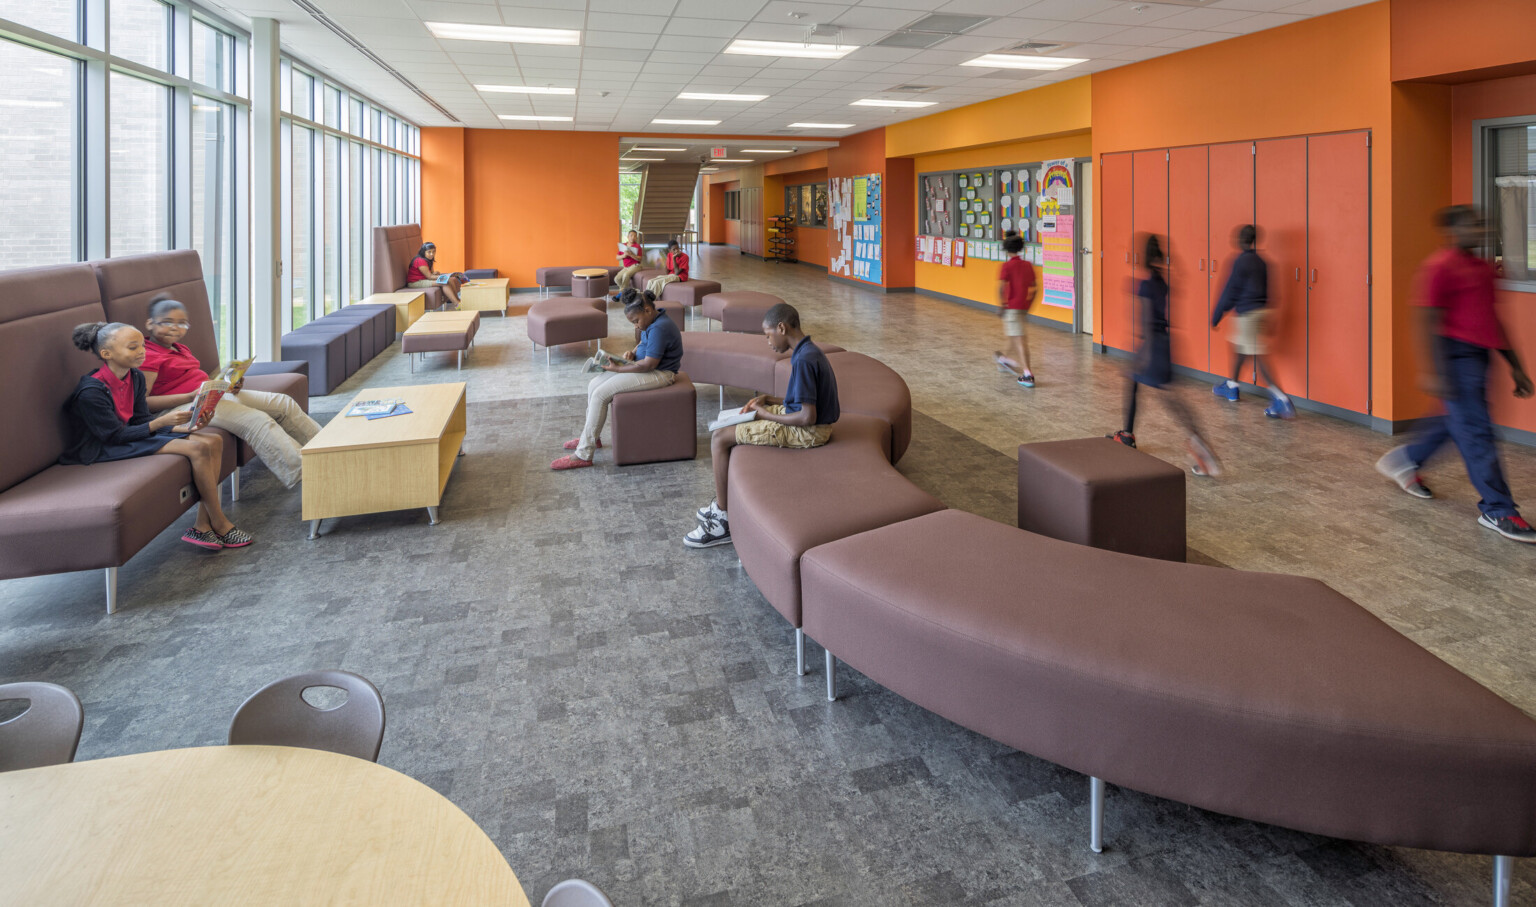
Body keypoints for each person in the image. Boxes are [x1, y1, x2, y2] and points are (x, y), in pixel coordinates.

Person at [1376, 205, 1535, 543]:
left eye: (1483, 223)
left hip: (1480, 358)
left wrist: (1516, 366)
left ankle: (1406, 460)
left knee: (1456, 421)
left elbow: (1491, 320)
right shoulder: (1439, 267)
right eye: (1473, 224)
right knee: (1477, 432)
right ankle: (1498, 509)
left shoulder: (1482, 269)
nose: (1481, 229)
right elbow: (1425, 320)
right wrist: (1432, 370)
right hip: (1454, 357)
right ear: (1452, 230)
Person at [61, 321, 253, 550]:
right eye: (133, 347)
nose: (142, 351)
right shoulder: (91, 392)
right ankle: (220, 523)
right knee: (197, 448)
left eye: (142, 345)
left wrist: (187, 428)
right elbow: (114, 436)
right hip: (101, 447)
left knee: (214, 440)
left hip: (128, 435)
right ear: (107, 353)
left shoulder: (135, 377)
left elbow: (141, 420)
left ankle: (203, 525)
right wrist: (162, 422)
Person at [686, 302, 839, 548]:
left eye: (768, 335)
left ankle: (723, 520)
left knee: (719, 438)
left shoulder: (803, 361)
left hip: (810, 432)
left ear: (782, 327)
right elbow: (801, 402)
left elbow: (806, 417)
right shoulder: (807, 350)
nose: (767, 342)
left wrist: (763, 415)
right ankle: (722, 506)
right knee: (730, 422)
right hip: (810, 423)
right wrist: (767, 400)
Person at [141, 296, 320, 490]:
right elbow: (143, 402)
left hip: (206, 397)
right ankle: (310, 474)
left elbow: (193, 379)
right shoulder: (148, 356)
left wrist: (228, 384)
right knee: (257, 420)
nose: (175, 328)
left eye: (182, 323)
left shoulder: (179, 348)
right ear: (150, 324)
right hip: (179, 409)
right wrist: (189, 396)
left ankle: (329, 450)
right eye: (167, 322)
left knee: (283, 403)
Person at [1109, 235, 1221, 477]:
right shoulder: (1162, 281)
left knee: (1171, 401)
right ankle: (1127, 434)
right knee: (1145, 388)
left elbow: (1146, 323)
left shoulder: (1145, 286)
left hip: (1152, 346)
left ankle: (1201, 445)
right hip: (1165, 343)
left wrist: (1142, 356)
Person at [551, 289, 681, 470]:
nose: (636, 326)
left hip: (660, 373)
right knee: (594, 384)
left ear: (648, 310)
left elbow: (649, 365)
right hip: (644, 367)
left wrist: (619, 369)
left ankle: (583, 454)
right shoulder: (652, 321)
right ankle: (592, 438)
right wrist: (633, 352)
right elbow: (644, 343)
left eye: (636, 321)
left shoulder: (660, 327)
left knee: (601, 394)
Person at [1210, 224, 1295, 419]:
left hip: (1247, 314)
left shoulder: (1240, 262)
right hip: (1262, 312)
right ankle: (1232, 386)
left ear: (1240, 240)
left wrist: (1216, 315)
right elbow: (1270, 292)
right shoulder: (1262, 262)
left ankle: (1281, 399)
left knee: (1257, 354)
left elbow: (1230, 291)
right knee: (1240, 348)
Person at [992, 232, 1038, 388]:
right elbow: (1035, 288)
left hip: (1011, 308)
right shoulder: (1027, 265)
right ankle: (1003, 359)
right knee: (1015, 335)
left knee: (1020, 340)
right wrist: (1028, 305)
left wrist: (1002, 305)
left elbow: (1001, 288)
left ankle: (1027, 374)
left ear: (1007, 250)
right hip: (1022, 307)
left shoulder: (1006, 266)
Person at [405, 242, 461, 309]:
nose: (432, 254)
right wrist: (445, 276)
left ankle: (458, 300)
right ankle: (456, 304)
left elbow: (430, 273)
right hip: (415, 282)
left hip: (424, 279)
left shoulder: (429, 260)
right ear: (424, 252)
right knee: (444, 283)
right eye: (429, 252)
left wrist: (436, 273)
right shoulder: (420, 261)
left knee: (451, 280)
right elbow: (429, 276)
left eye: (434, 252)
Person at [612, 230, 644, 300]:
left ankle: (621, 294)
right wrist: (624, 255)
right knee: (616, 279)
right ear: (628, 237)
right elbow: (617, 257)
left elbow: (640, 259)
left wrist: (631, 254)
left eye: (635, 236)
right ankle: (628, 292)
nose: (633, 237)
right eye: (631, 235)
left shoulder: (637, 246)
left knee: (626, 275)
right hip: (626, 267)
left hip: (636, 265)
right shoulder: (623, 246)